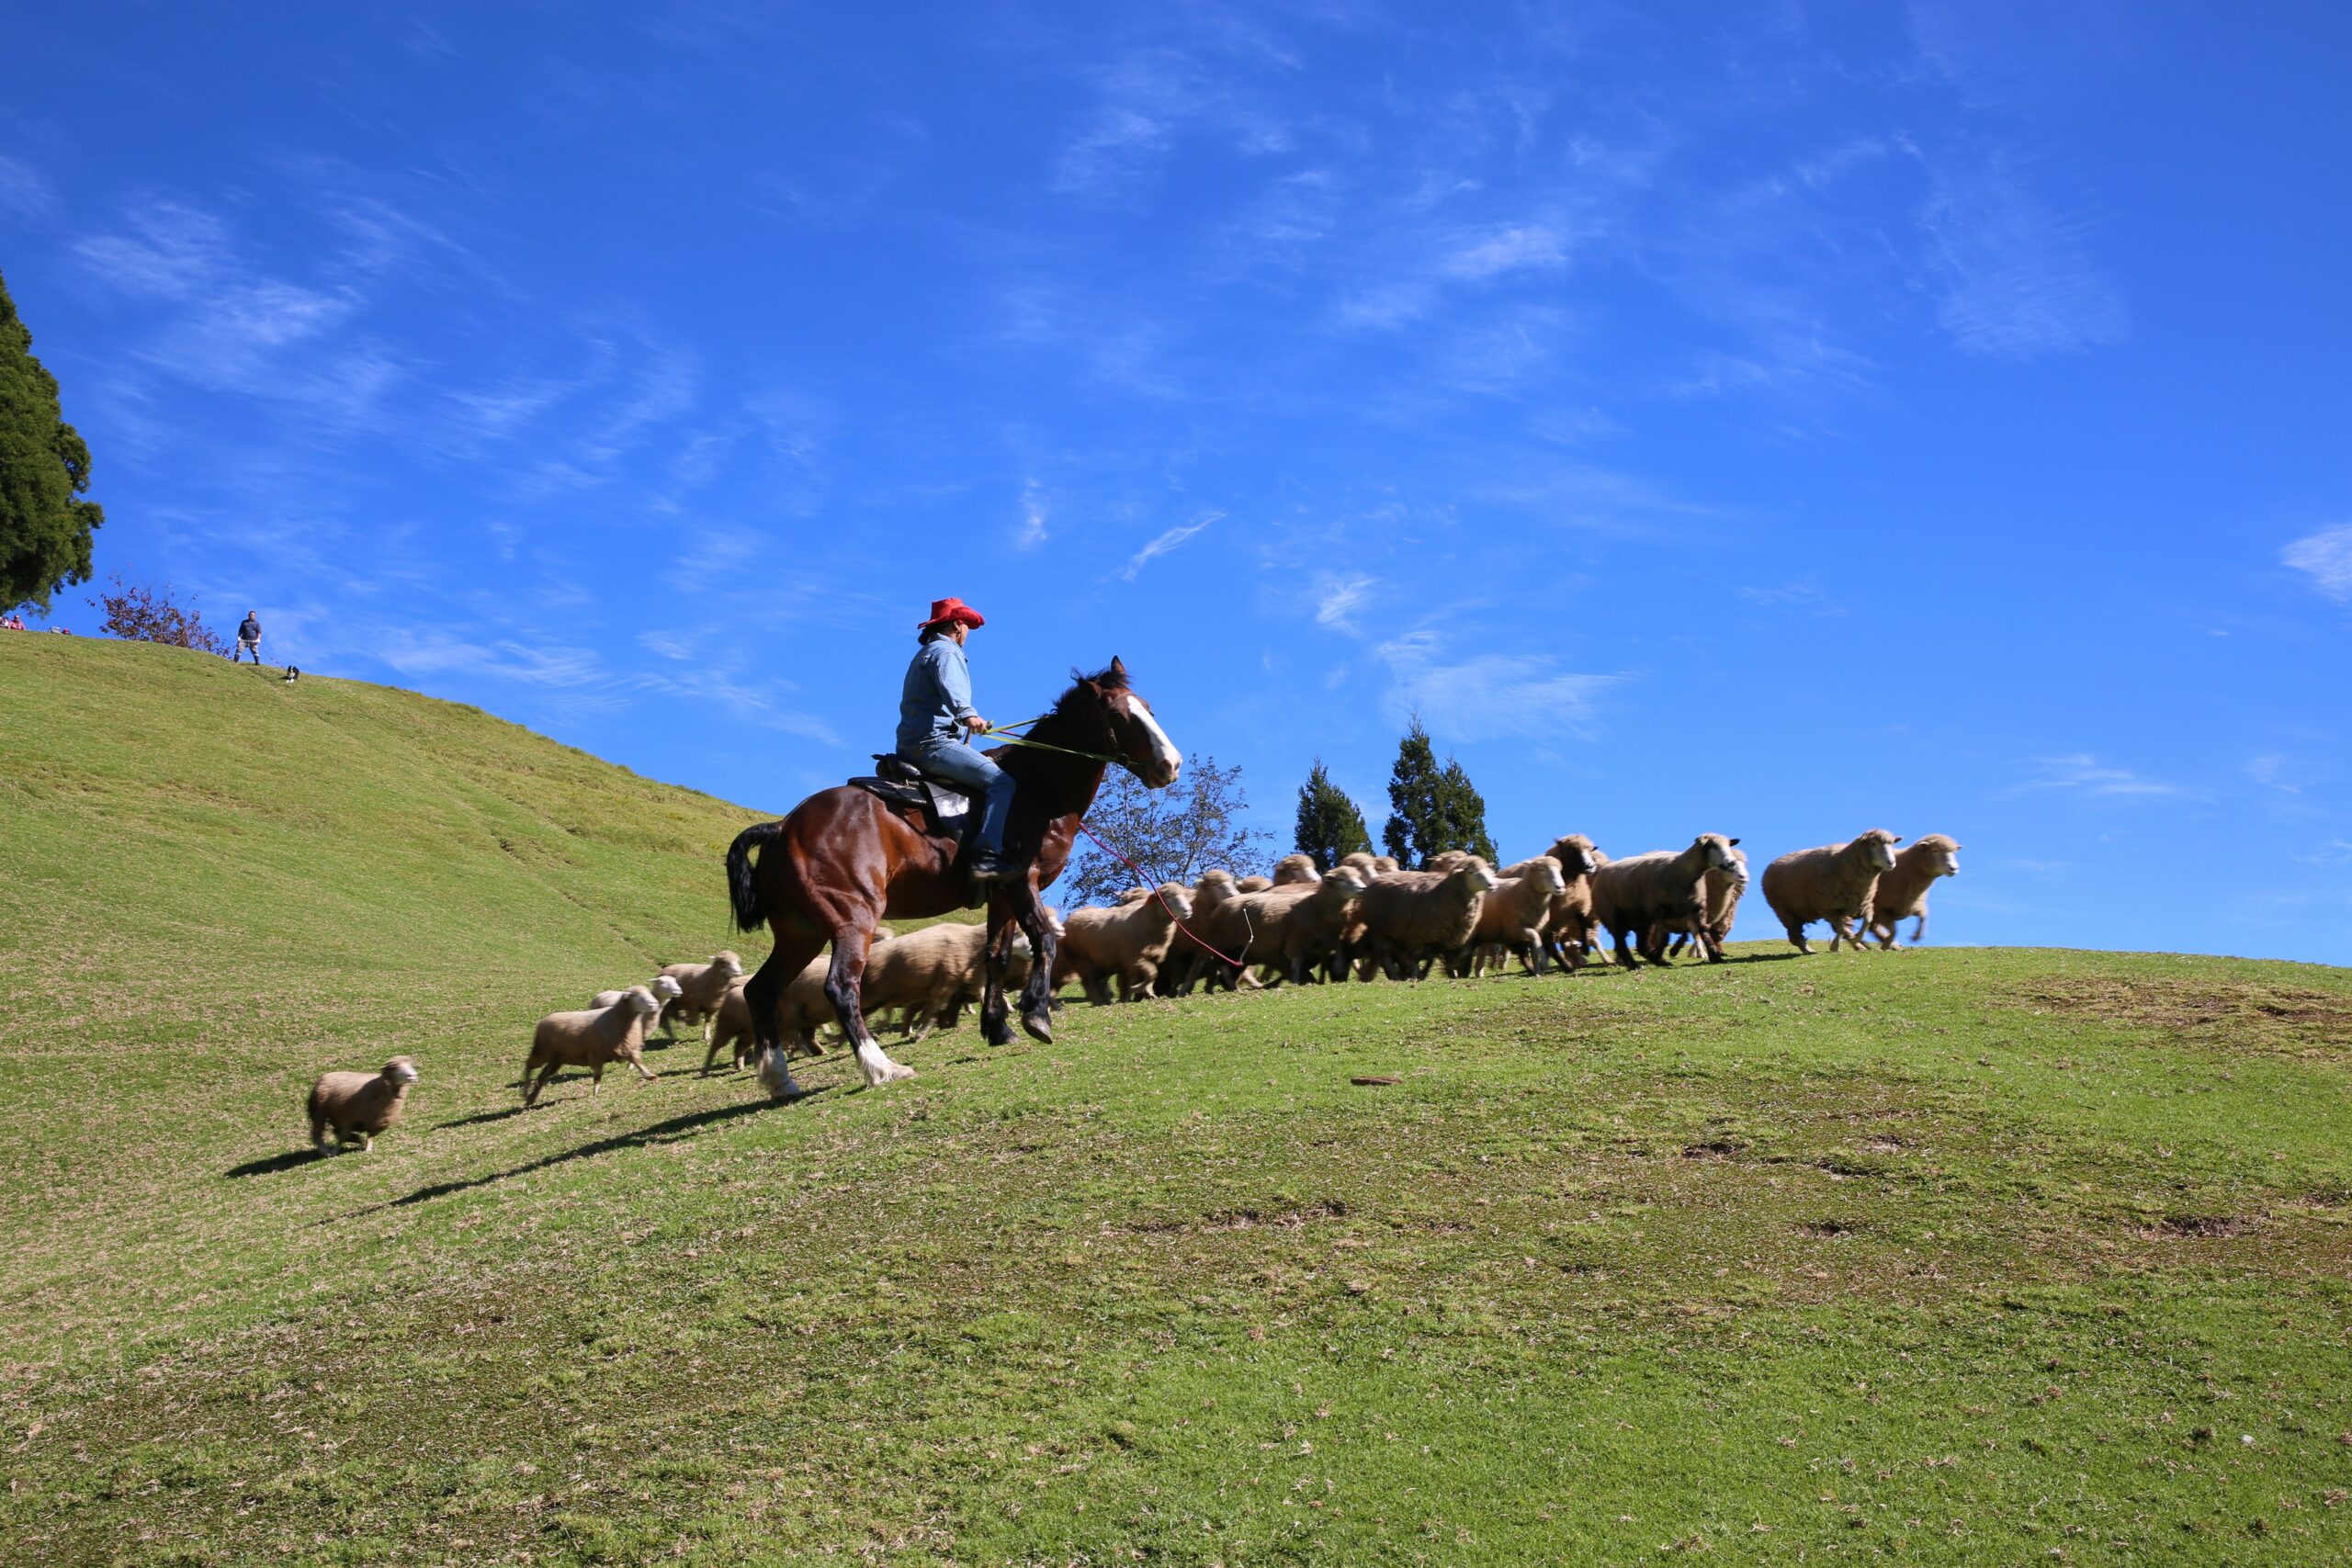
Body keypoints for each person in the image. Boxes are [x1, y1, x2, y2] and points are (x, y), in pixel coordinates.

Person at [898, 597, 1018, 881]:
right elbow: (953, 690)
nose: (968, 634)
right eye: (966, 626)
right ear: (956, 624)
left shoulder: (927, 651)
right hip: (934, 745)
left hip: (911, 743)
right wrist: (969, 716)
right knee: (1002, 782)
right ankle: (987, 857)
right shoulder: (946, 651)